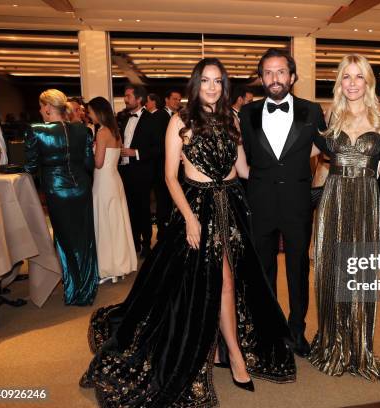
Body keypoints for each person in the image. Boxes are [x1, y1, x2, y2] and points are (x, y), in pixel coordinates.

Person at [80, 58, 295, 407]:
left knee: (232, 282)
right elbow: (169, 176)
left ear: (224, 86)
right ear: (196, 85)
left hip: (233, 207)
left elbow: (241, 168)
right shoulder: (181, 120)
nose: (212, 87)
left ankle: (219, 348)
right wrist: (190, 219)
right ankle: (235, 357)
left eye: (218, 81)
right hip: (198, 208)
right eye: (206, 81)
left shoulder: (233, 119)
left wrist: (281, 170)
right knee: (216, 281)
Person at [239, 48, 329, 358]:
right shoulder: (246, 114)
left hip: (297, 203)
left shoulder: (311, 110)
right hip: (260, 202)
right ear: (261, 77)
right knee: (262, 271)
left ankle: (297, 330)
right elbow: (241, 156)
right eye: (268, 72)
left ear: (292, 77)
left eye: (281, 72)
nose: (275, 78)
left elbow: (330, 147)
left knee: (297, 269)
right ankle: (270, 329)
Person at [308, 54, 380, 380]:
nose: (353, 83)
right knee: (332, 272)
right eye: (347, 76)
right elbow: (317, 158)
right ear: (340, 81)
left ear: (368, 81)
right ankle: (332, 342)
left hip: (367, 200)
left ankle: (359, 347)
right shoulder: (332, 114)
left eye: (359, 76)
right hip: (335, 197)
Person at [24, 89, 98, 305]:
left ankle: (75, 291)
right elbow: (89, 164)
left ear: (47, 107)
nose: (40, 110)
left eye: (40, 106)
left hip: (57, 190)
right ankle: (87, 289)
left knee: (65, 241)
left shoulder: (36, 130)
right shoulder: (82, 130)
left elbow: (30, 166)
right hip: (82, 188)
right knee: (85, 239)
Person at [88, 96, 138, 284]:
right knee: (117, 223)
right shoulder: (115, 131)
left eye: (90, 111)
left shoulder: (102, 132)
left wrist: (87, 153)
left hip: (103, 181)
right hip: (115, 179)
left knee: (105, 223)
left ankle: (109, 268)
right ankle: (120, 266)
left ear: (98, 112)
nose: (89, 114)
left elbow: (98, 163)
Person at [119, 84, 160, 258]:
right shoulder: (123, 118)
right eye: (125, 96)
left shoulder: (151, 120)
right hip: (124, 170)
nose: (125, 99)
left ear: (139, 99)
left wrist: (134, 152)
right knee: (129, 209)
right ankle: (133, 242)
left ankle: (146, 244)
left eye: (128, 96)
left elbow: (158, 148)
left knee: (143, 209)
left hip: (142, 172)